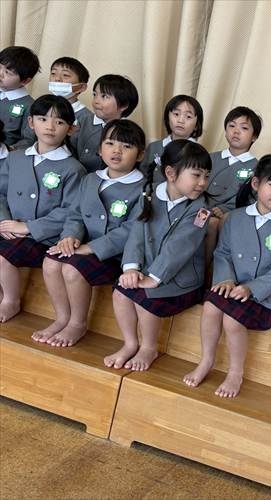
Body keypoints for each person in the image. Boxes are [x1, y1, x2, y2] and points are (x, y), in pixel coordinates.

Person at [183, 154, 271, 398]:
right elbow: (223, 253)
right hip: (233, 287)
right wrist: (225, 279)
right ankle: (206, 360)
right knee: (211, 307)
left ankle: (235, 372)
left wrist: (252, 288)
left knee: (231, 319)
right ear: (256, 184)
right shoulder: (235, 218)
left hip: (265, 297)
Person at [32, 119, 145, 347]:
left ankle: (77, 323)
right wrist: (70, 237)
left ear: (140, 155)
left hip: (115, 256)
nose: (117, 151)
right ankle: (62, 317)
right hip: (82, 246)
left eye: (126, 146)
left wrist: (90, 248)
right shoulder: (90, 179)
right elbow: (75, 214)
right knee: (51, 262)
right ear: (100, 149)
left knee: (72, 270)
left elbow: (131, 231)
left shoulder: (143, 188)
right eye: (110, 143)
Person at [103, 139, 211, 372]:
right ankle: (130, 343)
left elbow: (179, 247)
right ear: (170, 173)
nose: (202, 183)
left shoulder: (200, 209)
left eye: (206, 176)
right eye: (196, 175)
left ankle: (149, 348)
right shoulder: (150, 194)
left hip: (180, 280)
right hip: (148, 271)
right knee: (121, 292)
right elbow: (136, 234)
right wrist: (131, 267)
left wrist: (154, 277)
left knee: (146, 297)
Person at [0, 94, 85, 323]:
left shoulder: (73, 168)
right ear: (31, 122)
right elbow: (1, 193)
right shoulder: (15, 158)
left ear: (70, 129)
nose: (50, 126)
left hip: (42, 237)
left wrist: (28, 227)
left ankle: (10, 300)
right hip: (9, 228)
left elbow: (70, 210)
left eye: (59, 121)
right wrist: (4, 222)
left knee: (2, 257)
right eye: (43, 119)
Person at [71, 74, 139, 173]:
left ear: (123, 105)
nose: (96, 101)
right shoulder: (83, 121)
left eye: (104, 96)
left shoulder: (129, 131)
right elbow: (70, 149)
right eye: (95, 94)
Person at [207, 106, 262, 216]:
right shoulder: (210, 158)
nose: (236, 131)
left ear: (254, 136)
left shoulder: (257, 168)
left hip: (231, 215)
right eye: (232, 126)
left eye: (244, 128)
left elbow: (251, 198)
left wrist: (226, 209)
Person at [141, 94, 204, 183]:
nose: (180, 120)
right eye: (176, 114)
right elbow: (143, 176)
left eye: (188, 117)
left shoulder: (200, 153)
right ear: (167, 118)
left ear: (197, 125)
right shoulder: (153, 147)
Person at [0, 46, 40, 149]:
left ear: (25, 81)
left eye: (8, 72)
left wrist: (8, 150)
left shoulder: (30, 106)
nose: (0, 74)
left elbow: (28, 140)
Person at [48, 56, 92, 126]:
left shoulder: (87, 118)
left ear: (82, 87)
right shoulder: (42, 108)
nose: (57, 78)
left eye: (65, 75)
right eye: (53, 73)